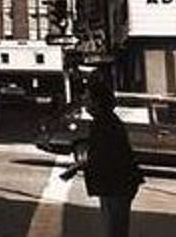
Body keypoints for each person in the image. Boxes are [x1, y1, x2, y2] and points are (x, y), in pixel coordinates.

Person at [59, 79, 144, 237]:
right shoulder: (104, 121)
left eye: (88, 98)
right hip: (116, 184)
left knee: (115, 230)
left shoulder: (105, 123)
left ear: (97, 102)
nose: (85, 102)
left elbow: (107, 156)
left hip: (117, 184)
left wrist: (78, 167)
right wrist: (77, 167)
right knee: (114, 228)